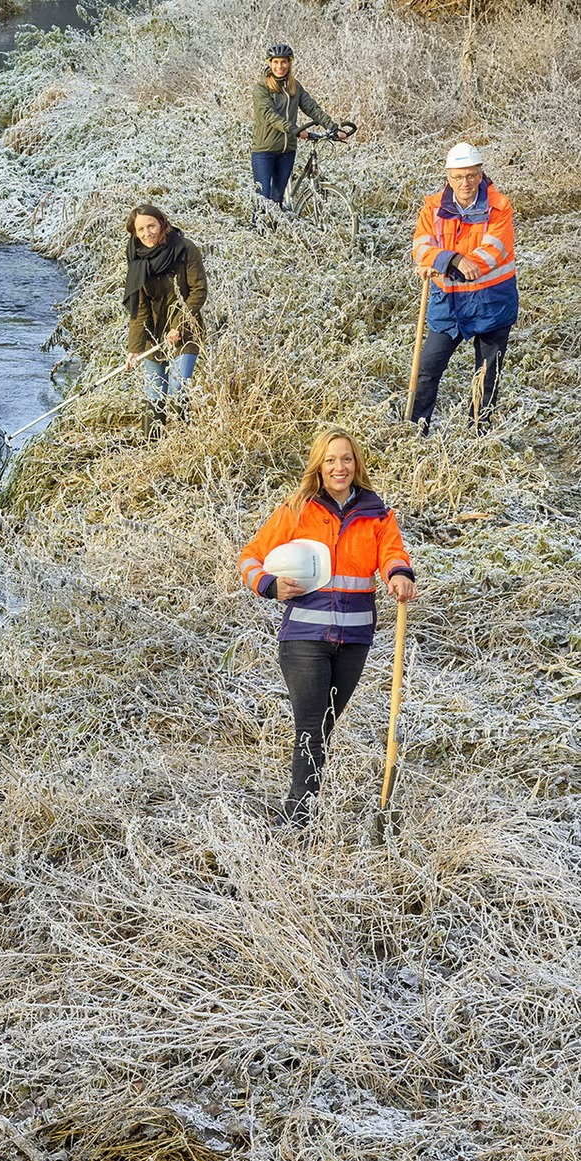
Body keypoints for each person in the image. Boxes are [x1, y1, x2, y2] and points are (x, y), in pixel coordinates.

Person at [238, 427, 416, 824]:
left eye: (347, 459)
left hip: (354, 638)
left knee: (324, 727)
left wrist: (399, 575)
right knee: (311, 727)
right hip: (304, 637)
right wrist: (268, 585)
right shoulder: (298, 508)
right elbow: (250, 556)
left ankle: (306, 809)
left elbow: (392, 553)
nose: (340, 467)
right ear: (319, 465)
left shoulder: (376, 512)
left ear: (357, 464)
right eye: (332, 459)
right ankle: (298, 819)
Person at [409, 141, 517, 434]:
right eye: (458, 176)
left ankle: (478, 434)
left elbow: (492, 252)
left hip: (491, 304)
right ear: (448, 177)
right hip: (448, 304)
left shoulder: (499, 207)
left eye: (470, 175)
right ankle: (415, 431)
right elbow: (421, 247)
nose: (465, 182)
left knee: (486, 375)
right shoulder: (432, 208)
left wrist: (441, 263)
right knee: (427, 371)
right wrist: (452, 258)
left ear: (480, 174)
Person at [122, 202, 207, 419]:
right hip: (154, 333)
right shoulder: (137, 259)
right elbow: (139, 308)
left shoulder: (185, 249)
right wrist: (135, 347)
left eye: (151, 226)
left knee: (178, 387)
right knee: (154, 392)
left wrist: (178, 325)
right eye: (140, 229)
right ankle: (152, 444)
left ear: (162, 223)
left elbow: (198, 291)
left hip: (186, 330)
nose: (147, 233)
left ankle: (184, 442)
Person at [251, 42, 337, 208]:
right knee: (263, 200)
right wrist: (294, 130)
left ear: (289, 63)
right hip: (264, 150)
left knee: (277, 200)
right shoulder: (262, 88)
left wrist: (332, 127)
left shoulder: (294, 86)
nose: (280, 66)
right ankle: (259, 231)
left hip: (287, 150)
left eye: (283, 62)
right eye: (275, 62)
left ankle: (275, 230)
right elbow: (270, 115)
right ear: (269, 63)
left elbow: (312, 108)